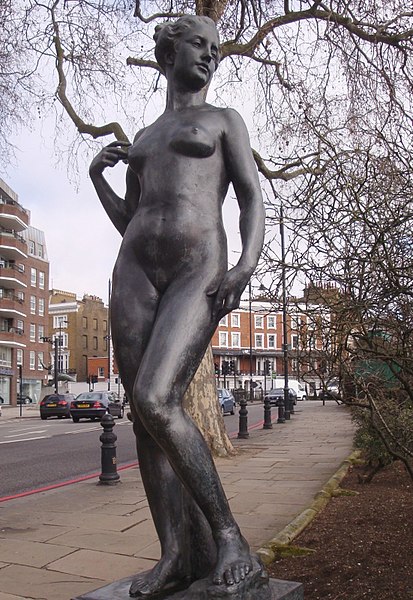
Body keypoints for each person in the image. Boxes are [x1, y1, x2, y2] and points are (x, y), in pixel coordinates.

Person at [89, 15, 265, 598]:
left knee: (157, 398)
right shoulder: (143, 136)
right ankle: (175, 555)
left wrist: (245, 265)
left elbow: (249, 196)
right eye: (199, 45)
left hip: (199, 267)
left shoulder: (223, 121)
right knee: (143, 418)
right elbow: (129, 221)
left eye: (217, 48)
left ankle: (229, 537)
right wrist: (98, 180)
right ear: (168, 53)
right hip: (135, 269)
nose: (211, 56)